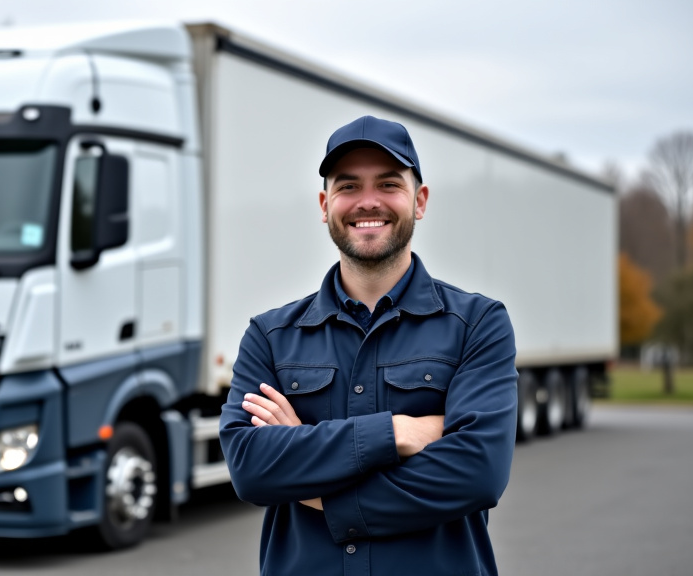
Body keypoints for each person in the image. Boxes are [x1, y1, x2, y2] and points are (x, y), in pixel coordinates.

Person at [219, 115, 518, 576]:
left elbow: (477, 474)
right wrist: (398, 432)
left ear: (419, 200)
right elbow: (251, 467)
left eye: (388, 184)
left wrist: (311, 478)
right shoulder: (270, 337)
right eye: (348, 186)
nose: (368, 202)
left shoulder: (478, 324)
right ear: (325, 204)